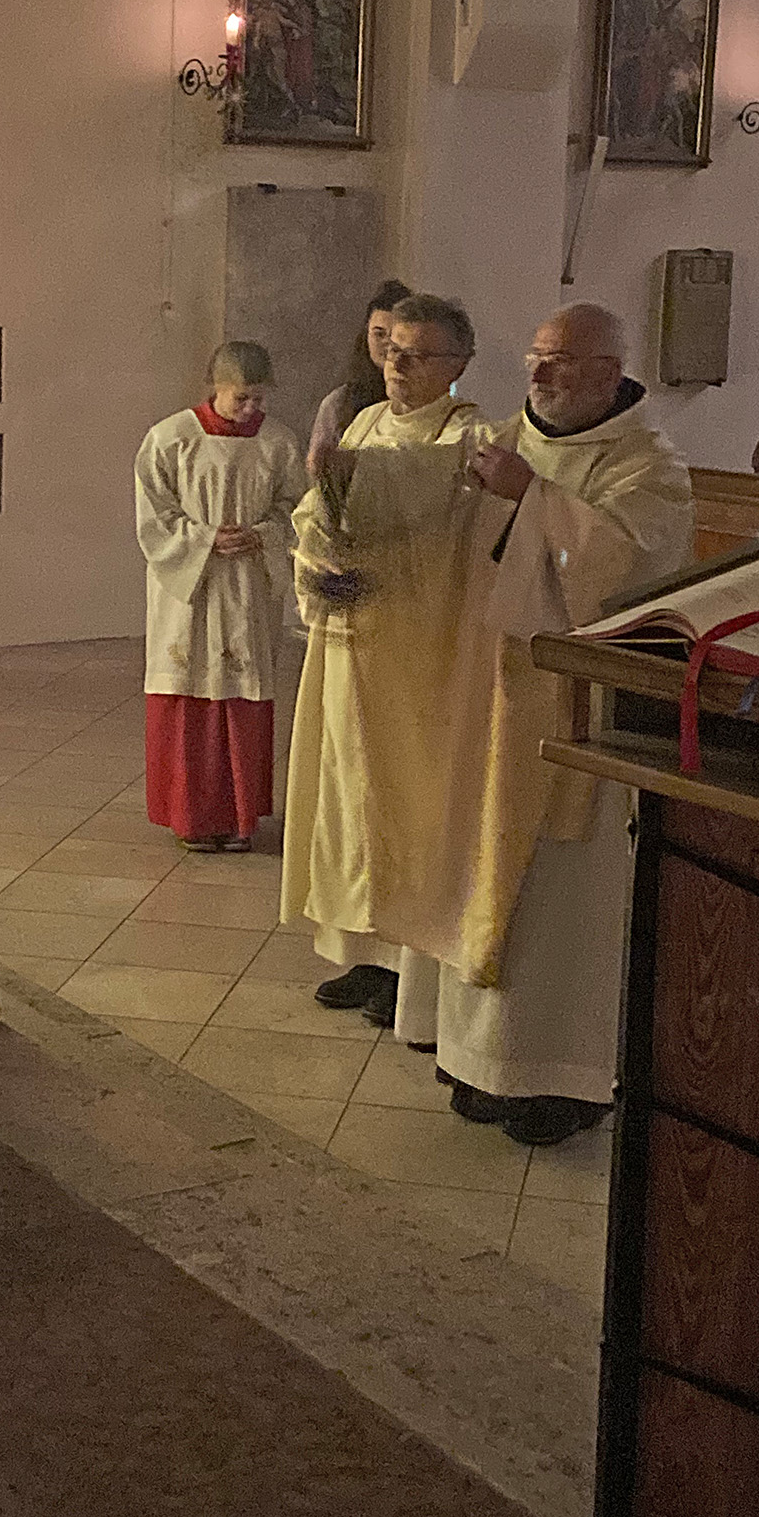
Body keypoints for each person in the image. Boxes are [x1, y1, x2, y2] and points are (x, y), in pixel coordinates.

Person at [310, 301, 695, 1145]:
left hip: (571, 719)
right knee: (470, 865)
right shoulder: (505, 442)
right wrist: (340, 489)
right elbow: (429, 521)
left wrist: (535, 503)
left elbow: (627, 567)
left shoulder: (647, 467)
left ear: (610, 371)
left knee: (552, 903)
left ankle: (554, 1083)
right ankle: (477, 1062)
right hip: (480, 696)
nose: (541, 376)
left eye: (561, 363)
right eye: (535, 358)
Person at [282, 294, 486, 1029]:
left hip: (416, 654)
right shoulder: (366, 418)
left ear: (457, 365)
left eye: (416, 353)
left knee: (403, 801)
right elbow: (317, 508)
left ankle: (405, 968)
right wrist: (321, 550)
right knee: (346, 795)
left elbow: (431, 502)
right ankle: (362, 953)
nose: (396, 364)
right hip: (352, 640)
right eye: (392, 348)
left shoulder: (470, 439)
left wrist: (351, 479)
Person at [136, 342, 307, 854]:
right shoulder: (171, 438)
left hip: (249, 581)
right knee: (189, 695)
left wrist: (267, 533)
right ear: (216, 387)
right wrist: (205, 539)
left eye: (258, 399)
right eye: (241, 398)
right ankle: (192, 816)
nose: (252, 409)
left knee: (244, 694)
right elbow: (154, 514)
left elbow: (297, 507)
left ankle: (239, 817)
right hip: (190, 589)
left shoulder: (278, 443)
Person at [307, 284, 411, 479]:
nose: (388, 344)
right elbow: (318, 479)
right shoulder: (339, 404)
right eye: (379, 334)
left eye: (397, 336)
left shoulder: (424, 402)